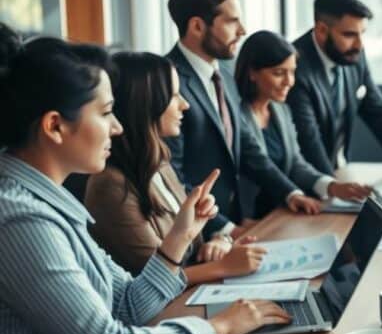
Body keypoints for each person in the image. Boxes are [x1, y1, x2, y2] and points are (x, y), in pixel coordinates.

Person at [0, 24, 290, 334]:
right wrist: (217, 328)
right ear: (54, 126)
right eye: (105, 113)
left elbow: (126, 306)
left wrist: (177, 241)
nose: (117, 127)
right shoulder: (20, 220)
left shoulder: (49, 201)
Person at [85, 51, 268, 279]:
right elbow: (156, 280)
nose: (185, 105)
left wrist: (219, 242)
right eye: (174, 96)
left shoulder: (159, 161)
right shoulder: (110, 184)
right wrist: (224, 266)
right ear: (146, 102)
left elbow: (188, 245)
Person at [164, 0, 320, 238]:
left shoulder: (225, 72)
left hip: (234, 227)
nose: (243, 30)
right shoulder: (167, 81)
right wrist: (223, 227)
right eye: (232, 21)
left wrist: (289, 192)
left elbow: (248, 148)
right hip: (197, 235)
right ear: (197, 26)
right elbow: (172, 176)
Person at [234, 30, 374, 217]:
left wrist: (331, 186)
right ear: (252, 73)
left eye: (292, 72)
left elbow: (295, 164)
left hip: (282, 212)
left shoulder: (280, 110)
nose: (289, 82)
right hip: (250, 219)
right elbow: (263, 166)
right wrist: (294, 194)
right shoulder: (236, 116)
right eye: (279, 73)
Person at [288, 0, 382, 175]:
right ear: (321, 30)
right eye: (349, 35)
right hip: (305, 181)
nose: (359, 45)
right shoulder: (294, 67)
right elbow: (308, 138)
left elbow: (377, 110)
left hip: (340, 171)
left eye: (362, 33)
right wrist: (332, 188)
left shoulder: (352, 56)